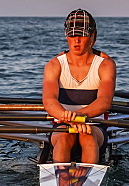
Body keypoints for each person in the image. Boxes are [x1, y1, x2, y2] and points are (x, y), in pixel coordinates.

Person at [42, 9, 117, 164]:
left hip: (94, 126)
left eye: (81, 35)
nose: (76, 40)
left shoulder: (105, 65)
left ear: (92, 37)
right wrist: (71, 120)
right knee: (63, 136)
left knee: (87, 136)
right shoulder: (54, 65)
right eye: (72, 35)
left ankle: (88, 179)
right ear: (66, 36)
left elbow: (104, 101)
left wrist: (79, 118)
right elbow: (49, 101)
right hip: (62, 125)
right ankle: (60, 178)